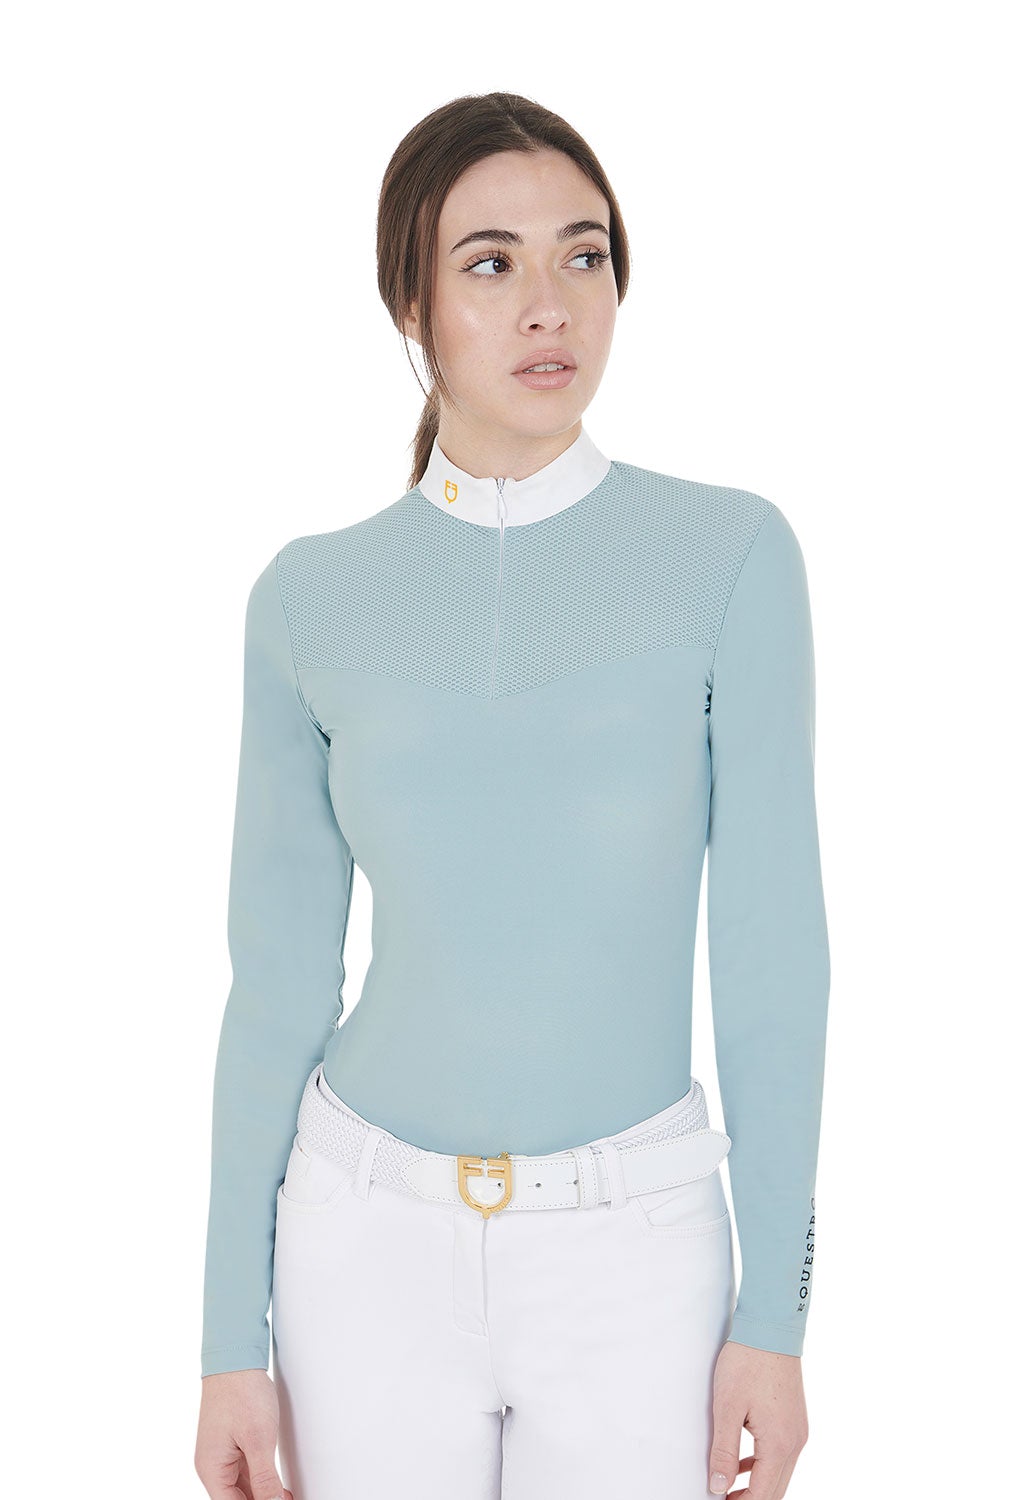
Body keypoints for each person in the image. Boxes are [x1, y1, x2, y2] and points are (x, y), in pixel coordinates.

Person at [194, 92, 831, 1500]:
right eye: (490, 263)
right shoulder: (309, 599)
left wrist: (776, 1321)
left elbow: (773, 959)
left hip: (638, 1251)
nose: (551, 304)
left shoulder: (731, 558)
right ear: (409, 305)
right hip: (361, 1247)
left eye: (583, 255)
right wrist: (229, 1341)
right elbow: (276, 989)